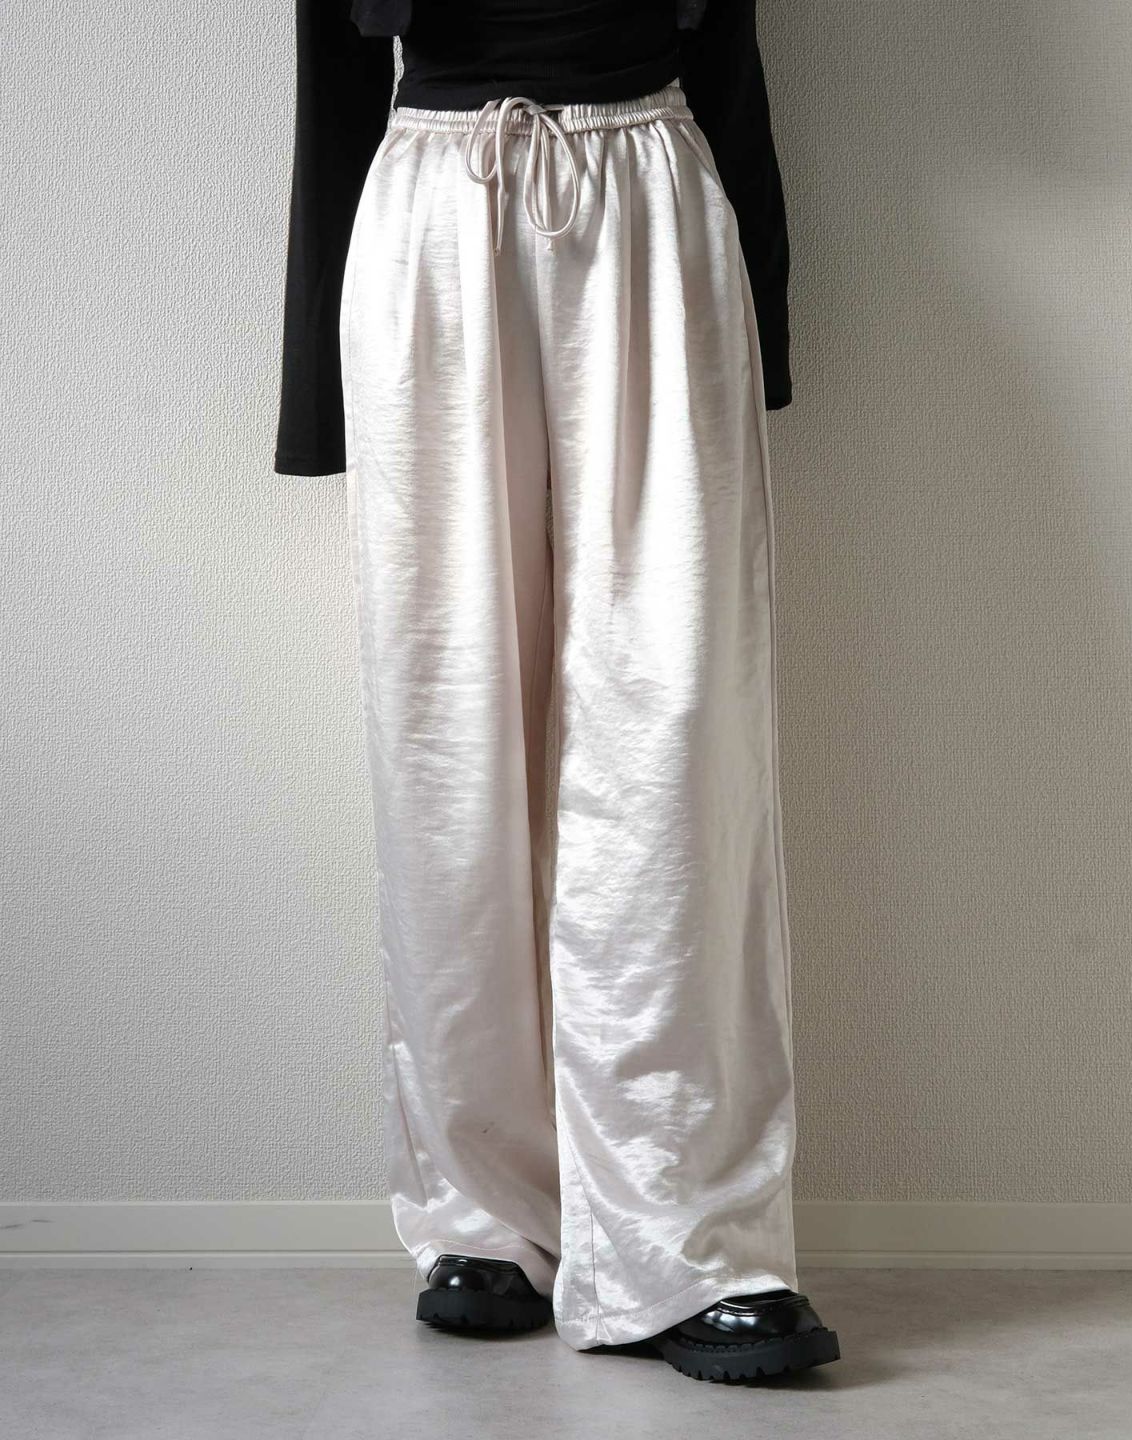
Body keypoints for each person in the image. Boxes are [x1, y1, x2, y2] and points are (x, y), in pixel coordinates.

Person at [274, 0, 840, 1384]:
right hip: (432, 212)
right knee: (448, 738)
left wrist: (759, 333)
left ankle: (692, 1238)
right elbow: (332, 75)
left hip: (651, 192)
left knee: (676, 737)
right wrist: (314, 396)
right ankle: (488, 1215)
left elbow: (730, 51)